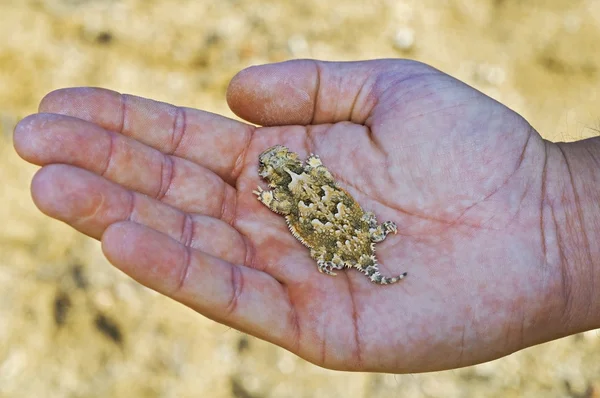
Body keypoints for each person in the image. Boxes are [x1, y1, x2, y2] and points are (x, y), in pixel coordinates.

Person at [13, 59, 600, 373]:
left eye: (279, 171)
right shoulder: (310, 181)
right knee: (344, 232)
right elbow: (303, 196)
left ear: (291, 171)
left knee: (332, 240)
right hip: (349, 226)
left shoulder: (298, 187)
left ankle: (365, 256)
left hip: (339, 233)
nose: (274, 177)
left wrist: (559, 210)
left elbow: (289, 201)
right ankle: (369, 250)